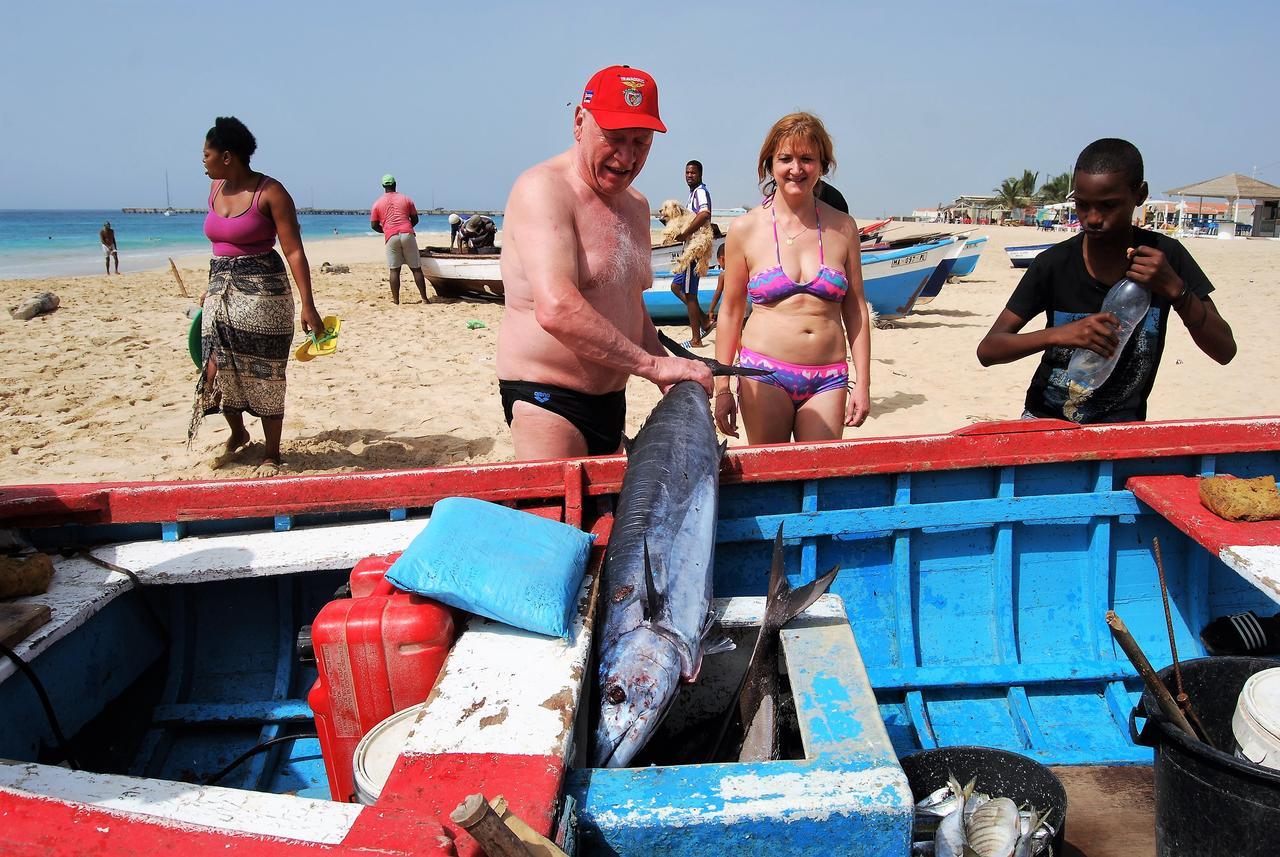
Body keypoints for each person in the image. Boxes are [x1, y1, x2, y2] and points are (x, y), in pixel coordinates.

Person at [495, 64, 712, 460]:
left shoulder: (637, 206)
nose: (626, 157)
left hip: (612, 401)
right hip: (548, 398)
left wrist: (668, 368)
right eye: (614, 138)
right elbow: (557, 308)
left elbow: (629, 305)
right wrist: (651, 366)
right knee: (559, 517)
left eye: (641, 142)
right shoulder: (543, 189)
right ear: (579, 122)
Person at [976, 138, 1236, 423]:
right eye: (1082, 205)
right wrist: (1060, 334)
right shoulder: (1054, 264)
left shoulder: (1165, 257)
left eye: (1108, 205)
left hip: (1122, 429)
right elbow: (989, 349)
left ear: (1140, 194)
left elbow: (1224, 351)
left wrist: (1177, 290)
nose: (1093, 218)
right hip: (1045, 421)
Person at [713, 112, 871, 444]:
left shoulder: (843, 227)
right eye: (785, 158)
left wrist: (864, 384)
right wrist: (723, 385)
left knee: (819, 480)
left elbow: (855, 308)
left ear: (823, 165)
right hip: (764, 374)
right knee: (770, 479)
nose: (796, 169)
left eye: (807, 159)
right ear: (770, 163)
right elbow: (730, 310)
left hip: (828, 379)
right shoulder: (745, 229)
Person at [190, 116, 325, 477]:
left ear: (228, 156)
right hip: (221, 292)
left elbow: (294, 250)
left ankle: (272, 452)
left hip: (265, 294)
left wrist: (308, 304)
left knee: (264, 373)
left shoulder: (271, 193)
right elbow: (222, 246)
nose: (202, 161)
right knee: (214, 372)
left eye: (207, 154)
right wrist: (212, 287)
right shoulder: (215, 190)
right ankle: (237, 432)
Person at [670, 160, 713, 346]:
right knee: (676, 287)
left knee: (690, 293)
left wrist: (685, 233)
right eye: (687, 173)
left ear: (700, 174)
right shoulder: (692, 194)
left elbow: (704, 214)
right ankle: (704, 320)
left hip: (694, 248)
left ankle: (696, 339)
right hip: (688, 248)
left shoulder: (700, 192)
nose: (689, 175)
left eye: (693, 173)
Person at [371, 174, 429, 304]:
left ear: (383, 186)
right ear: (395, 184)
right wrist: (406, 228)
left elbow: (374, 225)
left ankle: (396, 301)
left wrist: (386, 231)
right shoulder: (406, 199)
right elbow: (415, 219)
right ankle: (424, 298)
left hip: (391, 236)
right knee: (416, 268)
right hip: (407, 233)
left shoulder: (377, 203)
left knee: (394, 269)